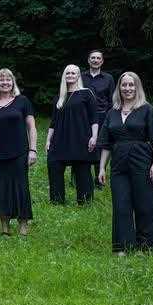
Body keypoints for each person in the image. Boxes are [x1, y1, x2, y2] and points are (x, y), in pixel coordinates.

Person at [98, 72, 153, 254]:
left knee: (145, 204)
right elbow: (106, 143)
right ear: (119, 88)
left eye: (131, 85)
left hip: (142, 160)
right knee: (121, 205)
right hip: (119, 163)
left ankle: (146, 247)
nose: (128, 88)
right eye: (124, 85)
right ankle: (123, 247)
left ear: (137, 88)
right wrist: (101, 168)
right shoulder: (112, 112)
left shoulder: (146, 109)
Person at [0, 68, 37, 236]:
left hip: (19, 153)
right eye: (1, 80)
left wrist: (33, 150)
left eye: (8, 80)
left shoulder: (22, 101)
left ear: (13, 83)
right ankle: (5, 226)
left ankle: (23, 224)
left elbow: (31, 127)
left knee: (20, 188)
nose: (5, 82)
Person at [45, 65, 98, 205]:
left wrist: (94, 136)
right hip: (60, 138)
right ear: (64, 76)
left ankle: (85, 201)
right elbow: (53, 122)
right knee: (54, 164)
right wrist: (48, 140)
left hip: (80, 137)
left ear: (78, 75)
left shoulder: (86, 93)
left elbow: (94, 118)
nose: (70, 75)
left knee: (82, 169)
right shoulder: (59, 97)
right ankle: (57, 201)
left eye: (73, 73)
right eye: (67, 73)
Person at [83, 50, 115, 185]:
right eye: (92, 58)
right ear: (88, 60)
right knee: (82, 144)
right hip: (83, 116)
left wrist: (111, 117)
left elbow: (112, 100)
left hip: (102, 116)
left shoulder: (108, 78)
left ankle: (99, 178)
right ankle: (79, 177)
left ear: (102, 61)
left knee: (100, 146)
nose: (95, 60)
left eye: (98, 58)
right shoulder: (80, 77)